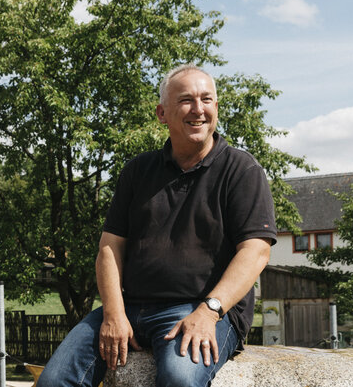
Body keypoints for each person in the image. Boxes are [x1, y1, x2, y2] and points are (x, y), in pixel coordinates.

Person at [37, 64, 277, 387]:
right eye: (186, 100)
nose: (198, 109)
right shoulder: (136, 172)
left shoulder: (241, 169)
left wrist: (209, 311)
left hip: (201, 308)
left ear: (216, 108)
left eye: (207, 99)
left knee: (180, 379)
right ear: (162, 113)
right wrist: (113, 313)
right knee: (53, 381)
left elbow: (256, 251)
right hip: (130, 307)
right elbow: (109, 248)